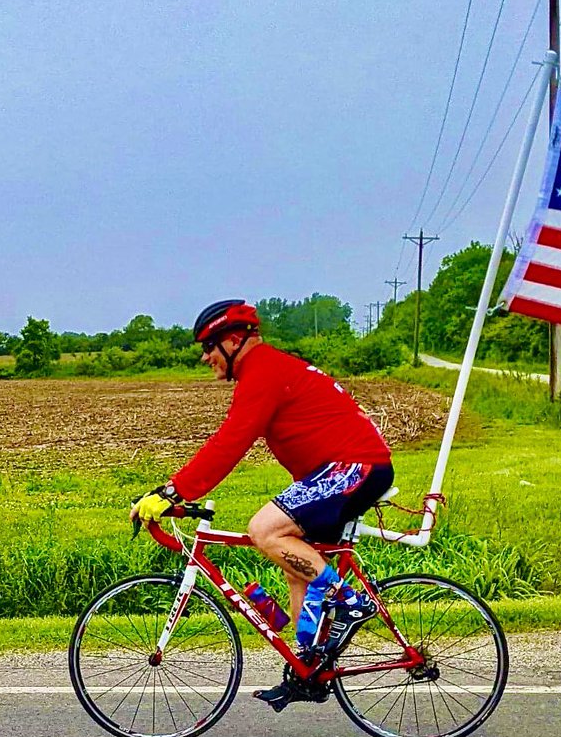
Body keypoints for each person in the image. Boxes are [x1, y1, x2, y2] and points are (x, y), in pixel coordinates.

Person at [130, 298, 394, 708]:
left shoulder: (264, 370)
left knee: (264, 530)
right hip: (343, 468)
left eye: (209, 346)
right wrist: (175, 489)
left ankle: (350, 601)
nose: (204, 357)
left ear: (234, 340)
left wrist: (173, 491)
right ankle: (309, 669)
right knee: (297, 566)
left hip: (354, 467)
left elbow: (231, 441)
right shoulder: (267, 369)